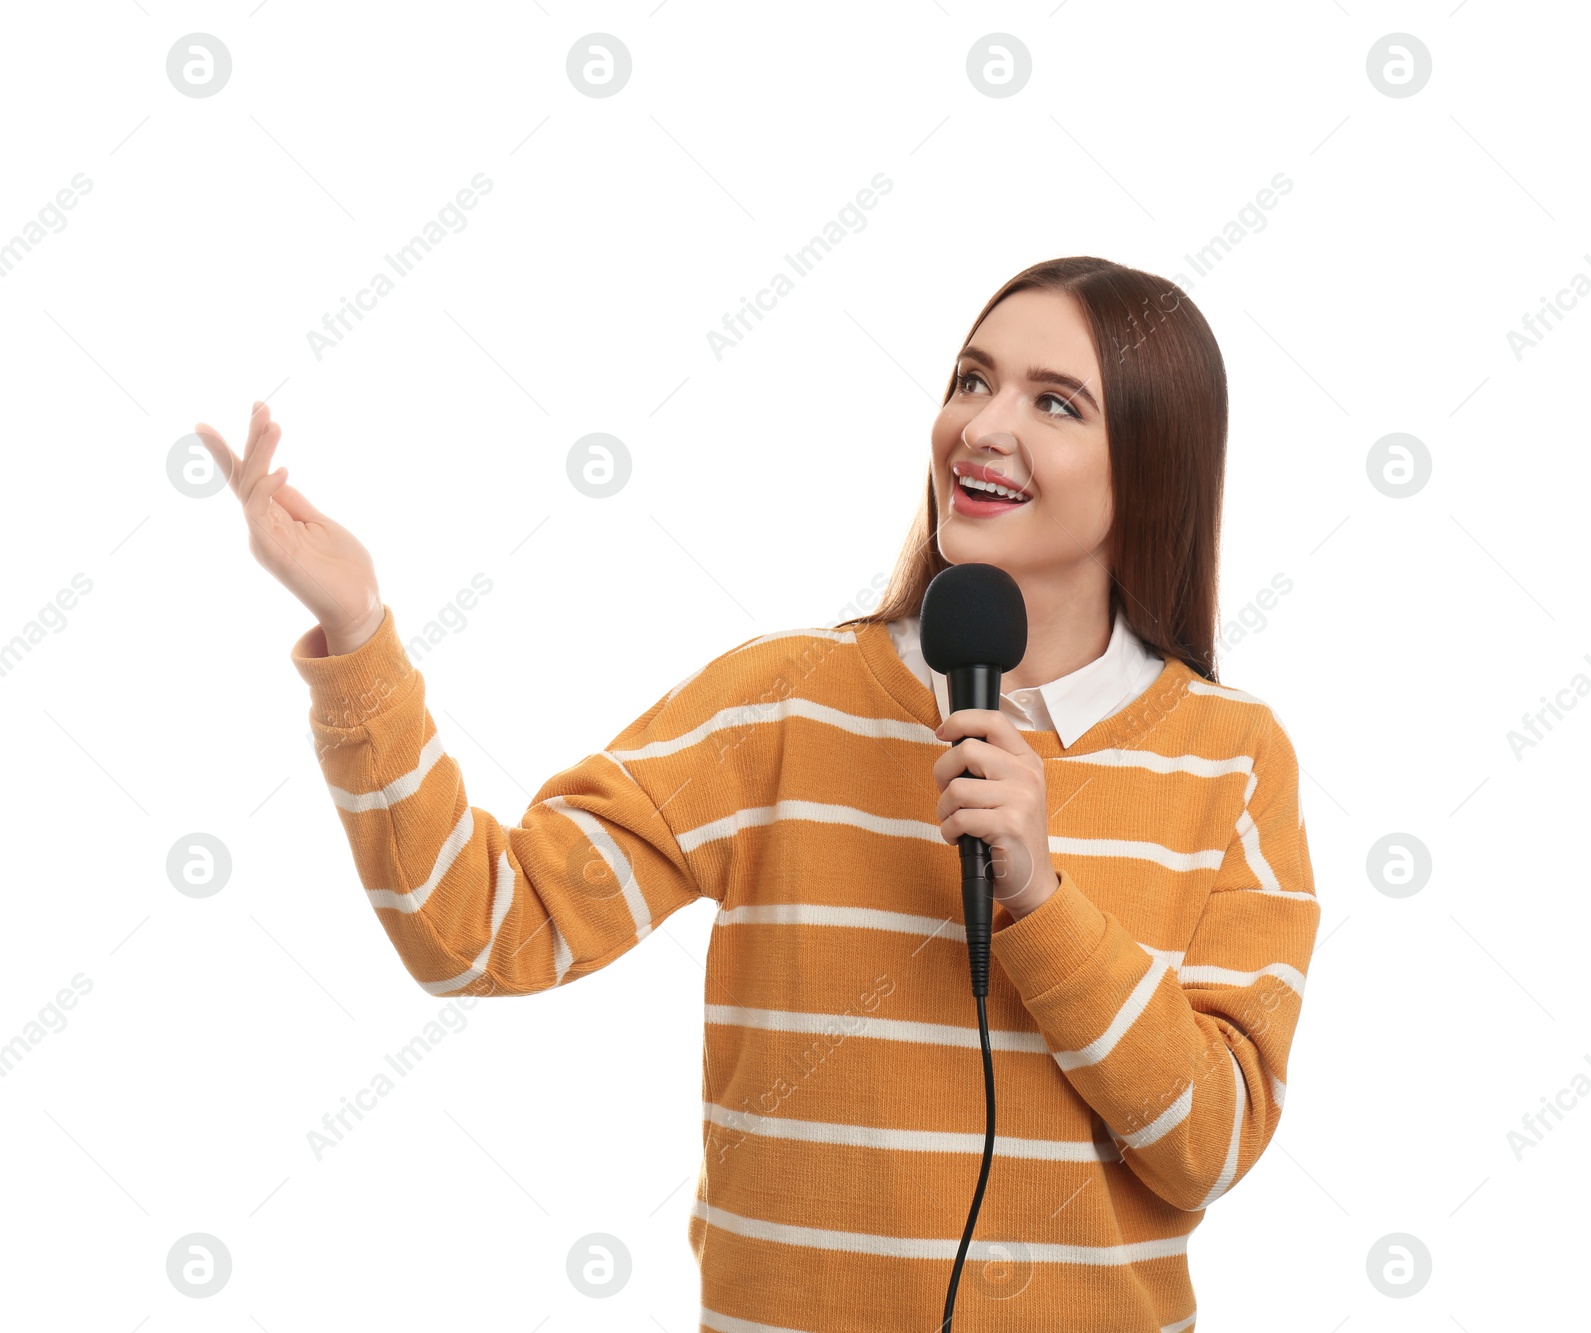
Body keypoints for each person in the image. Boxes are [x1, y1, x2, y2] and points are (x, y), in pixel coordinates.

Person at [197, 255, 1318, 1332]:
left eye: (1056, 402)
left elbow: (1207, 1146)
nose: (982, 425)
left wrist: (1043, 897)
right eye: (971, 379)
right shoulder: (781, 704)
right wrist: (358, 637)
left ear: (1154, 465)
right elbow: (475, 930)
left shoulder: (1233, 758)